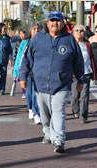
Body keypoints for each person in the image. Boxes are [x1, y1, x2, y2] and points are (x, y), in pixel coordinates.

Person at [19, 10, 84, 153]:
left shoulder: (70, 40)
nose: (55, 23)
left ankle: (58, 140)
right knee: (45, 114)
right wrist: (22, 76)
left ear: (62, 23)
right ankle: (48, 133)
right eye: (52, 20)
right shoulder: (37, 39)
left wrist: (81, 79)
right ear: (47, 23)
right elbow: (26, 60)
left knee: (58, 111)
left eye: (58, 20)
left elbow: (78, 61)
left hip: (62, 84)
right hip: (40, 84)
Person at [71, 25, 97, 124]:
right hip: (74, 74)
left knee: (84, 95)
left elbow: (91, 58)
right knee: (75, 95)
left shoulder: (87, 44)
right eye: (77, 31)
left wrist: (94, 73)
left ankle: (83, 116)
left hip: (86, 72)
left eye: (81, 31)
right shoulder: (71, 44)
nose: (79, 32)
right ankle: (75, 110)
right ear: (73, 33)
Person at [25, 23, 42, 125]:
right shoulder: (27, 43)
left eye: (38, 29)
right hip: (30, 72)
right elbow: (22, 58)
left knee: (36, 93)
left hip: (40, 72)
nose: (36, 31)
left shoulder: (44, 42)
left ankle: (37, 113)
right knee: (30, 93)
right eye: (34, 29)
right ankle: (31, 109)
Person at [0, 23, 13, 95]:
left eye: (6, 29)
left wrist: (10, 59)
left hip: (4, 59)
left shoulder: (7, 38)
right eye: (4, 29)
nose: (5, 30)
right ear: (0, 29)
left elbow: (9, 49)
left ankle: (2, 89)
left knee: (3, 74)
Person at [12, 28, 30, 99]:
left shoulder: (28, 42)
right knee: (20, 78)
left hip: (24, 62)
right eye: (20, 34)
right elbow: (15, 53)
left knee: (25, 77)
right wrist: (13, 64)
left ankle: (27, 92)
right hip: (18, 62)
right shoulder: (19, 42)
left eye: (22, 33)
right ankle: (24, 92)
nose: (21, 35)